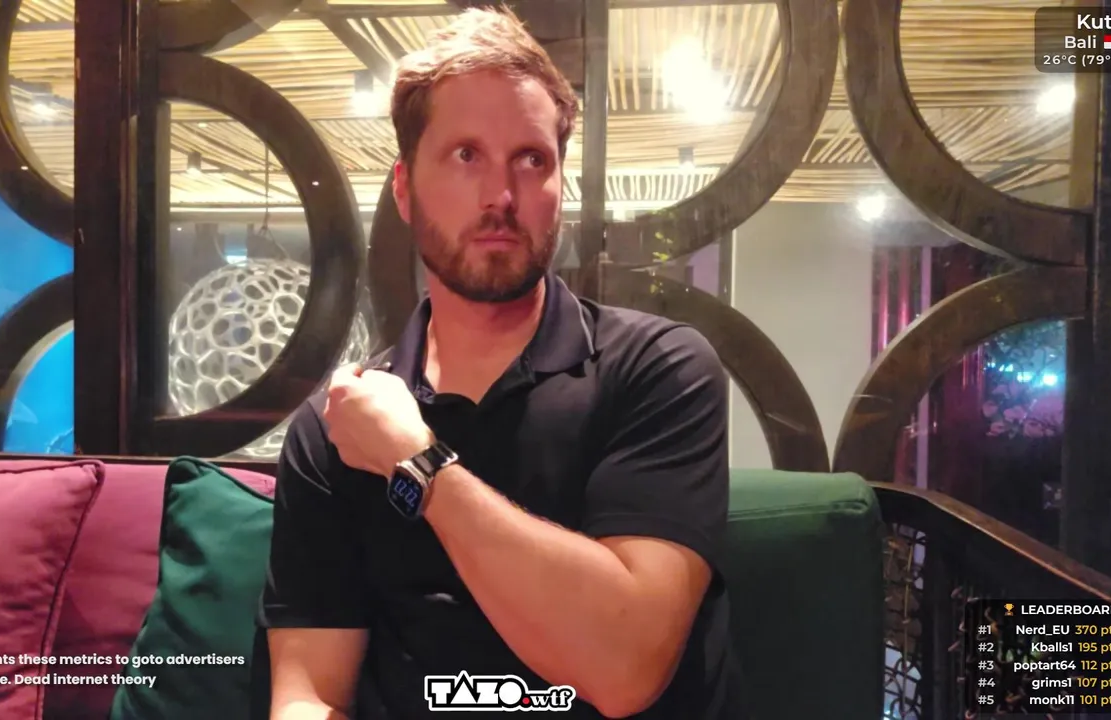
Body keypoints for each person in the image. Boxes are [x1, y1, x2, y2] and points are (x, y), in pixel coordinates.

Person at [256, 7, 745, 719]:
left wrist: (418, 465)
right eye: (466, 156)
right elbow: (310, 693)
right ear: (404, 189)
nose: (501, 197)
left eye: (531, 159)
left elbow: (625, 668)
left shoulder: (659, 369)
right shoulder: (338, 429)